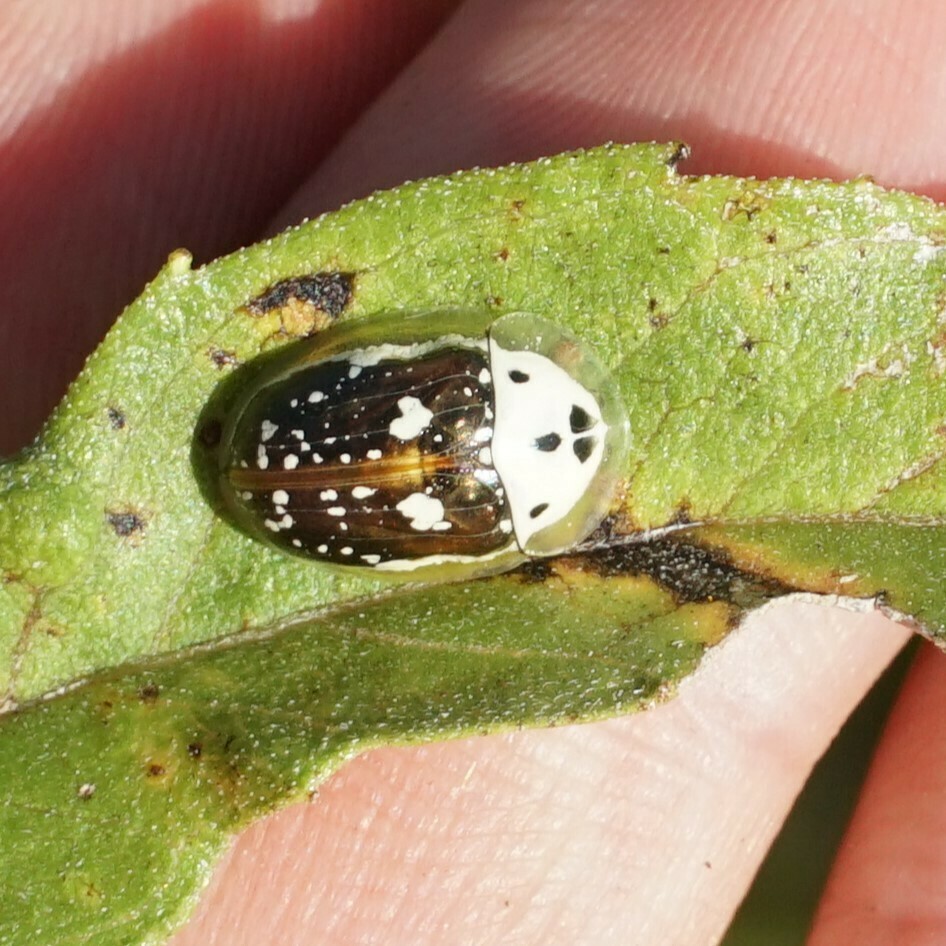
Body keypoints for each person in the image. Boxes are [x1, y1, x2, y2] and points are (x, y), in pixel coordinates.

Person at [3, 1, 942, 943]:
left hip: (296, 450)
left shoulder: (470, 386)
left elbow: (399, 350)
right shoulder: (502, 486)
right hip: (312, 471)